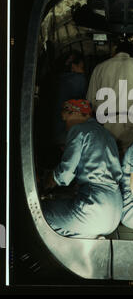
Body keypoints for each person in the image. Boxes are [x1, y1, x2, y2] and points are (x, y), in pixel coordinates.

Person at [41, 99, 123, 239]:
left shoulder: (79, 129)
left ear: (75, 113)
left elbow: (65, 174)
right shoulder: (107, 135)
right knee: (65, 228)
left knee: (40, 214)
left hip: (94, 207)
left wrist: (47, 180)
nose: (66, 126)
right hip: (115, 213)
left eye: (66, 120)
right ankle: (89, 238)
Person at [86, 38, 133, 156]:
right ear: (132, 52)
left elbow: (90, 101)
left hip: (106, 123)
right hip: (131, 121)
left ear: (114, 51)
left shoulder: (99, 68)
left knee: (108, 158)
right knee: (129, 159)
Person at [51, 51, 88, 146]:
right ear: (75, 66)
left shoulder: (56, 79)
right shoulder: (78, 80)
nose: (84, 70)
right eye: (82, 67)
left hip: (55, 129)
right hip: (70, 131)